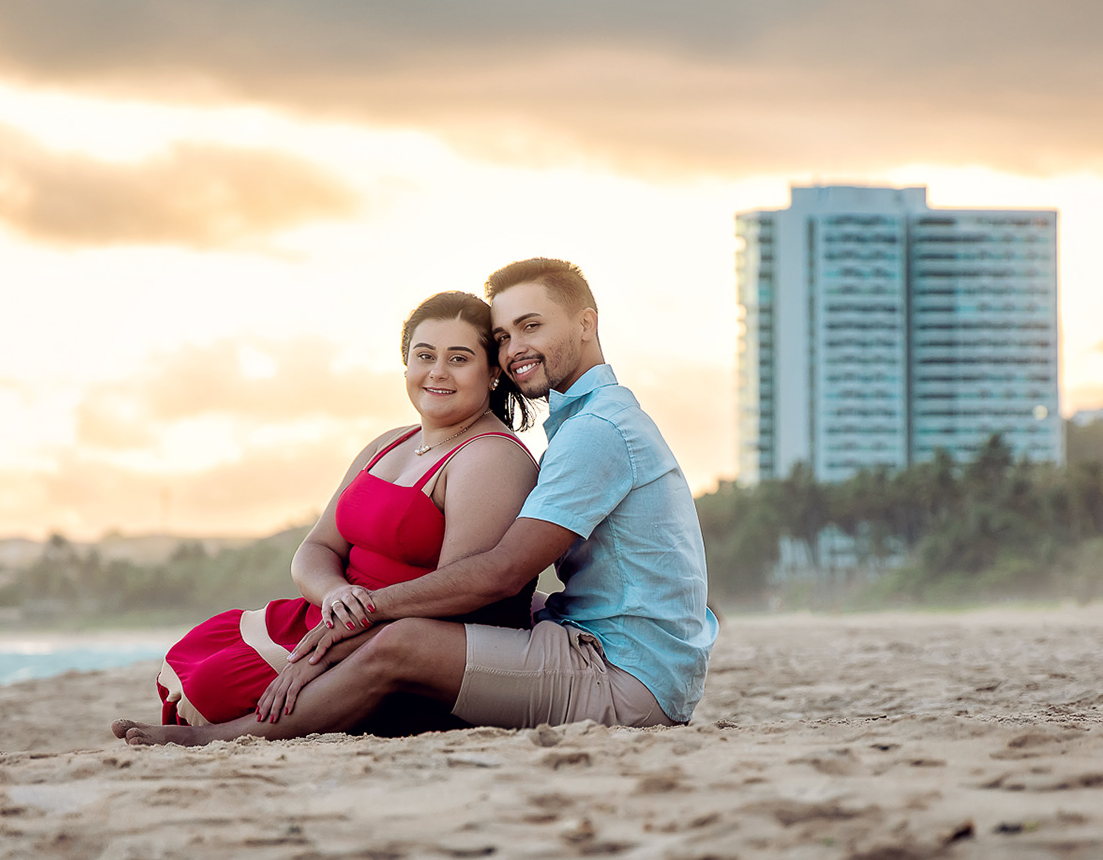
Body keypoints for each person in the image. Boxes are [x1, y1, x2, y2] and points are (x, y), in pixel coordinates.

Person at [114, 257, 716, 747]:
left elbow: (501, 573)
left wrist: (362, 615)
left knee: (406, 643)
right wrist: (345, 607)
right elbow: (332, 548)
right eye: (505, 336)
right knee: (490, 617)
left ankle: (226, 738)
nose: (515, 348)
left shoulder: (594, 431)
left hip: (628, 676)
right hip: (594, 640)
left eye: (532, 326)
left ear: (586, 323)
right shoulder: (585, 420)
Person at [139, 290, 538, 731]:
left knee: (215, 688)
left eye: (458, 359)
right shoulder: (389, 442)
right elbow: (317, 547)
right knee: (197, 652)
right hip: (327, 616)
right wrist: (333, 594)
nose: (437, 372)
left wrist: (330, 650)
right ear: (406, 365)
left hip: (385, 636)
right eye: (425, 356)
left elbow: (456, 599)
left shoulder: (491, 457)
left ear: (493, 372)